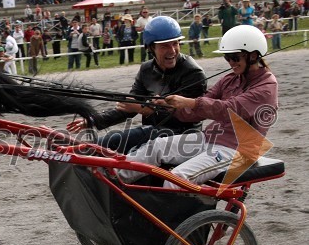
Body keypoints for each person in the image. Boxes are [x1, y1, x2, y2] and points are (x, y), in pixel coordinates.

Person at [117, 25, 278, 188]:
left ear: (254, 55)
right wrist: (169, 106)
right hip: (210, 138)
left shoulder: (266, 88)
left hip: (237, 151)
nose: (230, 62)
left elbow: (227, 109)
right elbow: (200, 107)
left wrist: (190, 102)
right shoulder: (230, 79)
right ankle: (113, 182)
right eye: (227, 58)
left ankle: (168, 213)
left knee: (176, 179)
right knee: (156, 147)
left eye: (235, 57)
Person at [67, 16, 207, 154]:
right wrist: (94, 120)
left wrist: (144, 110)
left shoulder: (193, 73)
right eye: (164, 46)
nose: (172, 50)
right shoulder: (146, 69)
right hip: (154, 133)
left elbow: (187, 116)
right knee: (104, 144)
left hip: (184, 137)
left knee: (111, 142)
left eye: (175, 43)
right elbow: (128, 106)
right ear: (151, 47)